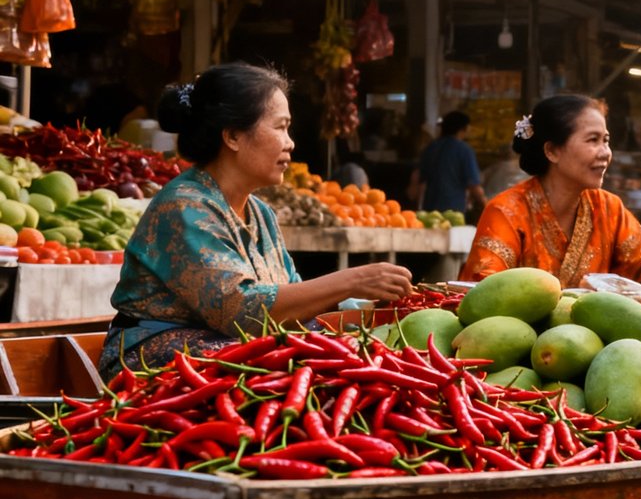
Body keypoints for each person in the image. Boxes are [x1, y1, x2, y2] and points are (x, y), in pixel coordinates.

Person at [98, 63, 413, 380]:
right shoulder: (184, 207)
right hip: (147, 365)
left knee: (339, 359)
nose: (290, 142)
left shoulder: (261, 214)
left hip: (221, 354)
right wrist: (353, 280)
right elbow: (238, 311)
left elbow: (292, 305)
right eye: (280, 127)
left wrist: (374, 309)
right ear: (233, 136)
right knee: (292, 366)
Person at [460, 95, 641, 293]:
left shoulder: (609, 208)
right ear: (552, 151)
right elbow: (484, 291)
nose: (605, 153)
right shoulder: (506, 211)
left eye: (606, 140)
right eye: (593, 140)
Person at [410, 110, 485, 214]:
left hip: (429, 210)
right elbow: (474, 185)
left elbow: (418, 178)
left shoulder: (430, 148)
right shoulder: (464, 150)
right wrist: (485, 203)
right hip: (453, 210)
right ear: (464, 128)